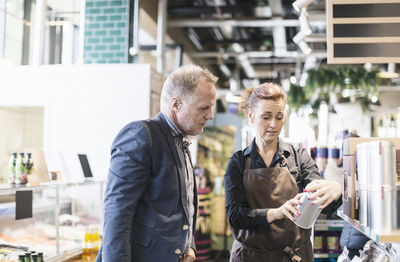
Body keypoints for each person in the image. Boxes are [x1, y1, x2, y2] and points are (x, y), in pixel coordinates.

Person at [96, 64, 218, 262]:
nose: (210, 115)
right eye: (204, 108)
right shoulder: (141, 135)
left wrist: (190, 247)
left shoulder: (181, 141)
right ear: (176, 104)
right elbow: (117, 212)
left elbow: (185, 207)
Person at [224, 82, 343, 262]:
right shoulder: (238, 163)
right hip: (251, 256)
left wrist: (336, 190)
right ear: (251, 116)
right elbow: (236, 216)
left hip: (293, 256)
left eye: (279, 117)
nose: (273, 124)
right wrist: (276, 213)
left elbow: (319, 198)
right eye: (266, 117)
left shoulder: (298, 156)